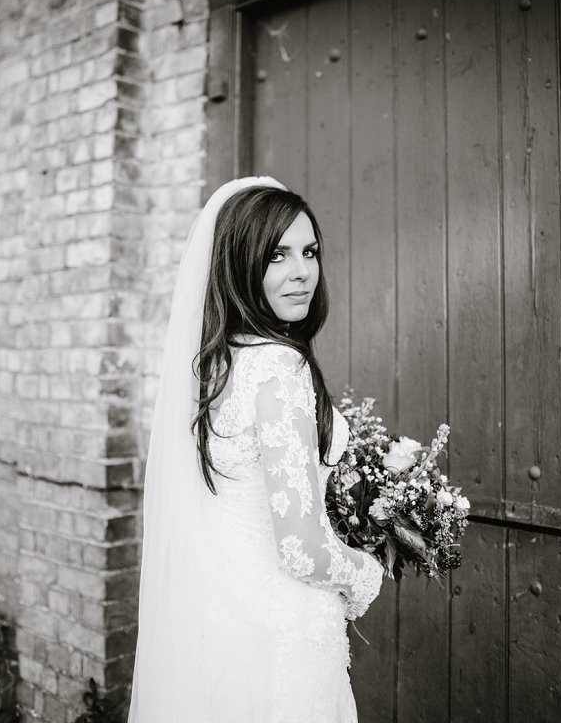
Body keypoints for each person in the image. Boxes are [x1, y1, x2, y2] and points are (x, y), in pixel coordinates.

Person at [129, 177, 382, 723]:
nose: (301, 272)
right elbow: (303, 549)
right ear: (242, 266)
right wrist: (366, 572)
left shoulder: (218, 366)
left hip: (221, 621)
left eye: (309, 252)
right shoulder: (278, 368)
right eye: (277, 256)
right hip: (283, 633)